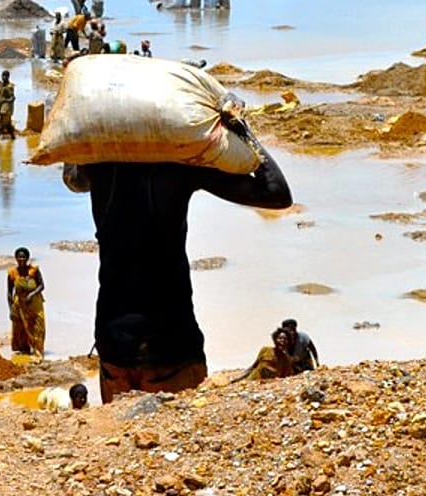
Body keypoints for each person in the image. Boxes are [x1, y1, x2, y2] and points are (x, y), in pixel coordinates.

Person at [62, 118, 292, 403]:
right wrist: (241, 129)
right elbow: (277, 194)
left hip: (113, 346)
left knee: (121, 441)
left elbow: (71, 167)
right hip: (171, 345)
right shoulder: (182, 167)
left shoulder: (97, 167)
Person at [7, 246, 46, 358]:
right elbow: (9, 293)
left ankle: (38, 350)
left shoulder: (34, 271)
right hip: (19, 305)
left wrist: (31, 294)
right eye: (19, 257)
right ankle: (24, 350)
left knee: (38, 327)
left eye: (24, 257)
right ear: (16, 258)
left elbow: (42, 285)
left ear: (28, 258)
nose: (21, 259)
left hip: (35, 304)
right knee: (20, 328)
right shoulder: (12, 273)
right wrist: (11, 309)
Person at [233, 327, 298, 382]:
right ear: (275, 339)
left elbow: (284, 379)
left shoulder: (286, 360)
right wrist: (237, 379)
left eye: (285, 339)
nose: (282, 341)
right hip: (252, 382)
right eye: (280, 338)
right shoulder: (265, 350)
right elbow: (253, 367)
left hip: (266, 388)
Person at [0, 70, 16, 139]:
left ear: (8, 77)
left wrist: (5, 100)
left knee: (2, 124)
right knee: (8, 125)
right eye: (3, 75)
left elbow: (13, 98)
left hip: (6, 109)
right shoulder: (1, 85)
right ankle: (13, 138)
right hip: (1, 107)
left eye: (5, 76)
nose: (4, 77)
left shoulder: (9, 87)